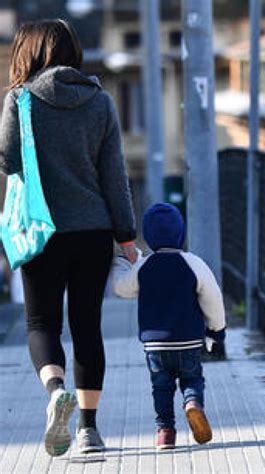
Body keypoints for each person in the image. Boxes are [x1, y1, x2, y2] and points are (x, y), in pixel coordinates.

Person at [0, 20, 138, 456]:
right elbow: (115, 177)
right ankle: (88, 431)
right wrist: (126, 235)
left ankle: (55, 388)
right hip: (94, 232)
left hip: (40, 231)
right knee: (87, 327)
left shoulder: (19, 100)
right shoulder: (99, 101)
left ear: (27, 52)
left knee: (41, 324)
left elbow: (6, 159)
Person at [113, 203, 226, 449]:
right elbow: (213, 297)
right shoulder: (193, 263)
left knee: (161, 387)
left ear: (149, 236)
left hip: (155, 345)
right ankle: (193, 403)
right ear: (181, 233)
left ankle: (165, 432)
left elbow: (121, 288)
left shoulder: (145, 266)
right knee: (192, 378)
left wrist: (123, 262)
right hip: (189, 340)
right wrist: (217, 330)